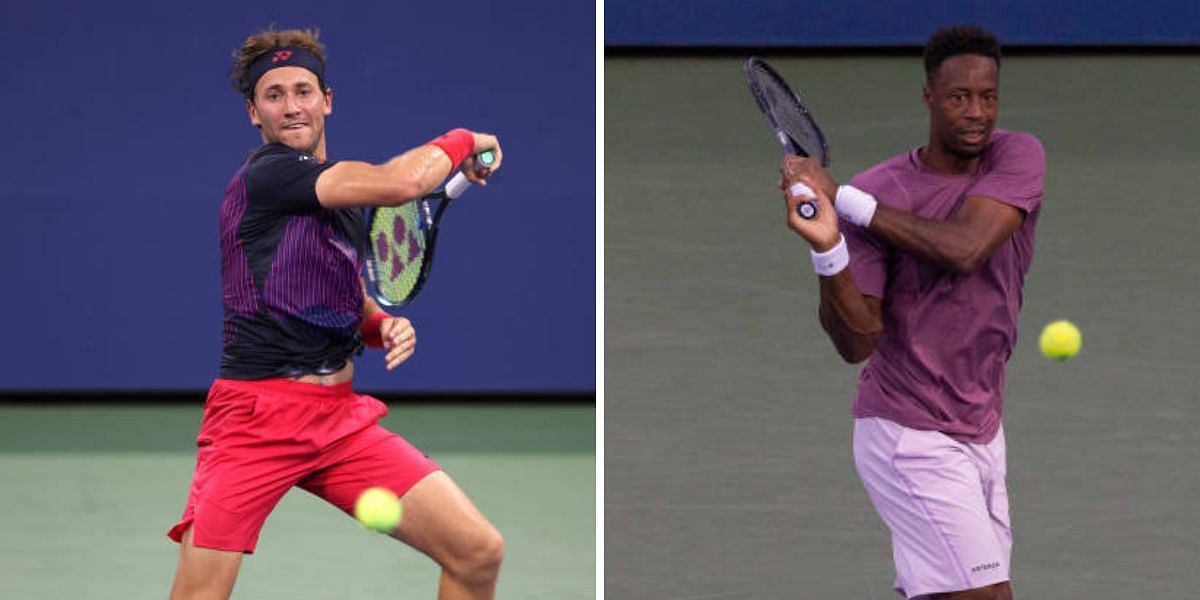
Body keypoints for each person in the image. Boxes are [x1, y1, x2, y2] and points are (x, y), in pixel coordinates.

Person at [167, 27, 505, 600]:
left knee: (477, 553)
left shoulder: (341, 195)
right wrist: (465, 138)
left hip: (338, 421)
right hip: (256, 422)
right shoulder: (269, 174)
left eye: (303, 90)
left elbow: (340, 293)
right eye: (274, 95)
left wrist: (378, 324)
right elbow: (401, 181)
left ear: (328, 99)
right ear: (254, 113)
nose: (291, 105)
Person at [780, 25, 1044, 600]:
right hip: (907, 432)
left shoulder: (1017, 156)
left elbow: (965, 248)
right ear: (929, 96)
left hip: (980, 425)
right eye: (958, 97)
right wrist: (828, 248)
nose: (976, 112)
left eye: (988, 96)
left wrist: (844, 199)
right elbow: (857, 343)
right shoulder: (884, 189)